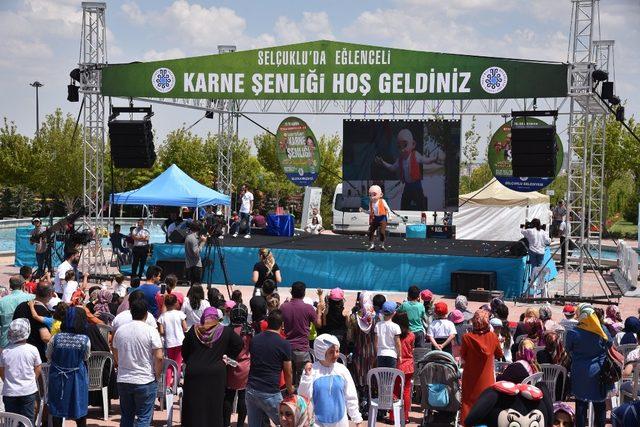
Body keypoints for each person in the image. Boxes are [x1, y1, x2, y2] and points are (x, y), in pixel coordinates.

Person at [181, 306, 242, 427]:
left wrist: (192, 361)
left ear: (204, 317)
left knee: (193, 405)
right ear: (216, 318)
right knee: (213, 406)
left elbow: (184, 351)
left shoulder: (194, 330)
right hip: (216, 374)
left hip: (194, 372)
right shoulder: (225, 331)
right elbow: (239, 344)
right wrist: (227, 357)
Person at [112, 299, 163, 427]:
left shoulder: (120, 330)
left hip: (124, 379)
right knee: (144, 418)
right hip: (145, 379)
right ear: (146, 314)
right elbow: (159, 357)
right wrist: (157, 375)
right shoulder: (151, 331)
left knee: (126, 417)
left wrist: (121, 366)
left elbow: (115, 352)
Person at [298, 334, 363, 427]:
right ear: (321, 352)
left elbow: (350, 395)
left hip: (340, 422)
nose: (336, 355)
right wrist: (306, 378)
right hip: (317, 422)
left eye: (337, 351)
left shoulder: (342, 370)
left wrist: (357, 418)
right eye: (331, 352)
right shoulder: (312, 370)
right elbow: (304, 397)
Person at [565, 303, 612, 427]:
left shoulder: (573, 332)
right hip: (599, 372)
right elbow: (610, 344)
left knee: (580, 404)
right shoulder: (602, 329)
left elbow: (568, 349)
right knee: (600, 405)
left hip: (580, 371)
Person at [246, 310, 294, 427]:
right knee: (288, 422)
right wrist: (290, 389)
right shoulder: (284, 344)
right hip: (270, 392)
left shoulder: (255, 339)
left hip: (251, 390)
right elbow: (288, 372)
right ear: (282, 325)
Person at [47, 307, 91, 427]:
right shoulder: (85, 340)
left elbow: (48, 356)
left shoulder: (55, 338)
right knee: (79, 407)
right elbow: (86, 358)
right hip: (77, 377)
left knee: (57, 409)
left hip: (57, 377)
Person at [375, 128, 438, 210]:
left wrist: (434, 158)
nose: (402, 149)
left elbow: (425, 160)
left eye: (405, 145)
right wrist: (383, 162)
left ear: (413, 144)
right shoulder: (400, 160)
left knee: (420, 204)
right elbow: (392, 168)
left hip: (416, 185)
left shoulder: (415, 155)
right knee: (404, 204)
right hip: (407, 186)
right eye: (399, 146)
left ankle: (423, 216)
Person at [460, 309, 504, 423]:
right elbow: (499, 354)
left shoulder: (466, 337)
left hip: (470, 377)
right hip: (487, 378)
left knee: (467, 403)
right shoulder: (493, 337)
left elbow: (463, 356)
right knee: (486, 404)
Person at [280, 282, 324, 385]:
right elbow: (318, 324)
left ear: (291, 292)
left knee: (289, 381)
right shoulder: (308, 308)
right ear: (304, 293)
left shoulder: (283, 307)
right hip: (302, 350)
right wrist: (319, 312)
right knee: (304, 382)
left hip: (287, 349)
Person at [0, 319, 42, 425]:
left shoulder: (5, 351)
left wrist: (8, 381)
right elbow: (38, 367)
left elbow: (2, 371)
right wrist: (32, 379)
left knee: (12, 420)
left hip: (9, 392)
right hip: (28, 390)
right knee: (27, 419)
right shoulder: (32, 349)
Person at [223, 305, 253, 427]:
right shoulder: (249, 331)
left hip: (230, 365)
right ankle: (240, 424)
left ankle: (225, 423)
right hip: (245, 365)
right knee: (242, 397)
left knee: (228, 396)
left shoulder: (227, 330)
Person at [12, 282, 52, 361]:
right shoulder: (42, 311)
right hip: (36, 355)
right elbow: (45, 337)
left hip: (16, 351)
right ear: (50, 294)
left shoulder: (21, 306)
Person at [157, 294, 187, 387]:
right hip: (180, 341)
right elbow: (185, 328)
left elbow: (161, 331)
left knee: (169, 364)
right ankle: (175, 383)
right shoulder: (180, 314)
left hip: (169, 342)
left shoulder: (162, 316)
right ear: (175, 303)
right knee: (178, 363)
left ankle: (167, 384)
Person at [390, 312, 414, 424]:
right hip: (408, 365)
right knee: (406, 391)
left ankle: (392, 417)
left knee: (394, 390)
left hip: (396, 364)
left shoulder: (394, 335)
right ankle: (405, 416)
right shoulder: (411, 335)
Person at [0, 275, 35, 349]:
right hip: (26, 342)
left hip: (6, 343)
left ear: (10, 286)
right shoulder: (32, 298)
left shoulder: (2, 301)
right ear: (23, 285)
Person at [362, 185, 393, 251]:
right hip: (375, 218)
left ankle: (382, 245)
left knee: (382, 232)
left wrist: (389, 216)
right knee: (371, 231)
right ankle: (372, 245)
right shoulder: (370, 203)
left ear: (381, 194)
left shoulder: (382, 201)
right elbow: (370, 212)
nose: (372, 197)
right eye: (370, 195)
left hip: (382, 218)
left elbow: (388, 209)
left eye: (374, 195)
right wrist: (363, 210)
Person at [374, 301, 402, 368]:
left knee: (381, 376)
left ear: (383, 312)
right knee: (391, 376)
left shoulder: (378, 325)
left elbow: (375, 342)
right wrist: (400, 355)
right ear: (394, 313)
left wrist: (376, 353)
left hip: (380, 354)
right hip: (392, 354)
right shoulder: (396, 326)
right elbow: (398, 343)